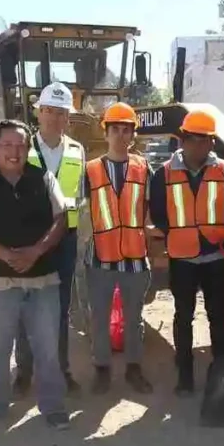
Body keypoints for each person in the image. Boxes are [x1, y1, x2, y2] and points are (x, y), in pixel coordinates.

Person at [0, 119, 71, 429]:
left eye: (20, 145)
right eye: (6, 145)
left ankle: (53, 406)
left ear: (28, 149)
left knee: (48, 349)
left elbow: (61, 219)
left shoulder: (44, 178)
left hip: (42, 280)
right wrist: (6, 255)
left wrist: (35, 252)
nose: (14, 151)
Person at [148, 110, 224, 395]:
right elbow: (159, 213)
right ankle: (185, 374)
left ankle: (219, 373)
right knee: (183, 315)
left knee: (218, 316)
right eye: (194, 140)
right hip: (182, 257)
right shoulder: (164, 173)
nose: (200, 146)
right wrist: (176, 234)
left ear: (213, 143)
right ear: (183, 139)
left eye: (206, 141)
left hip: (217, 257)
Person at [14, 82, 85, 396]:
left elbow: (79, 196)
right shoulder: (22, 149)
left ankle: (60, 370)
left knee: (60, 308)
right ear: (38, 113)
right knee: (24, 305)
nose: (55, 118)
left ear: (68, 118)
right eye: (50, 111)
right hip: (28, 239)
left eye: (61, 113)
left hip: (64, 240)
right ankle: (24, 373)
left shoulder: (77, 151)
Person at [84, 103, 154, 395]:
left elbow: (149, 209)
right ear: (106, 133)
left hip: (135, 259)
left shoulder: (144, 168)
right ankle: (102, 369)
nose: (121, 135)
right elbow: (84, 211)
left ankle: (133, 369)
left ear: (133, 135)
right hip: (100, 257)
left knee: (134, 317)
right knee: (99, 316)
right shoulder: (91, 169)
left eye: (127, 130)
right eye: (116, 130)